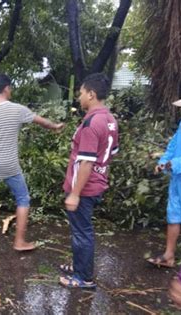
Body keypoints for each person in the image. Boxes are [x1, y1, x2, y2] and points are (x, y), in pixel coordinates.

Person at [0, 73, 64, 251]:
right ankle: (19, 242)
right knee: (23, 199)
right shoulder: (16, 109)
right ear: (6, 88)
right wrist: (55, 126)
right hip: (10, 165)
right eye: (11, 88)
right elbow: (41, 121)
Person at [59, 73, 119, 289]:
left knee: (81, 232)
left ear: (91, 95)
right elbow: (112, 152)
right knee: (81, 230)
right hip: (96, 183)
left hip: (84, 188)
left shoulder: (92, 122)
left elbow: (86, 162)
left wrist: (75, 193)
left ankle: (83, 278)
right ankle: (78, 266)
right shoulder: (110, 120)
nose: (79, 97)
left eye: (82, 93)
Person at [147, 91, 181, 268]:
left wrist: (174, 163)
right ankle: (168, 256)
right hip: (178, 180)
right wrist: (163, 162)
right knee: (174, 215)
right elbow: (172, 147)